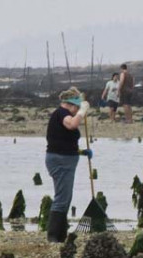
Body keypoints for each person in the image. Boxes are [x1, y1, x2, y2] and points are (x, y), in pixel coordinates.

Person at [45, 87, 93, 242]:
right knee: (62, 197)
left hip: (65, 159)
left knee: (66, 197)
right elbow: (72, 125)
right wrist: (82, 112)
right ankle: (53, 236)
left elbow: (63, 141)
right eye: (77, 108)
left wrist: (80, 152)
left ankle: (61, 233)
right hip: (60, 161)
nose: (77, 111)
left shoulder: (62, 114)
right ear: (72, 105)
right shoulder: (62, 114)